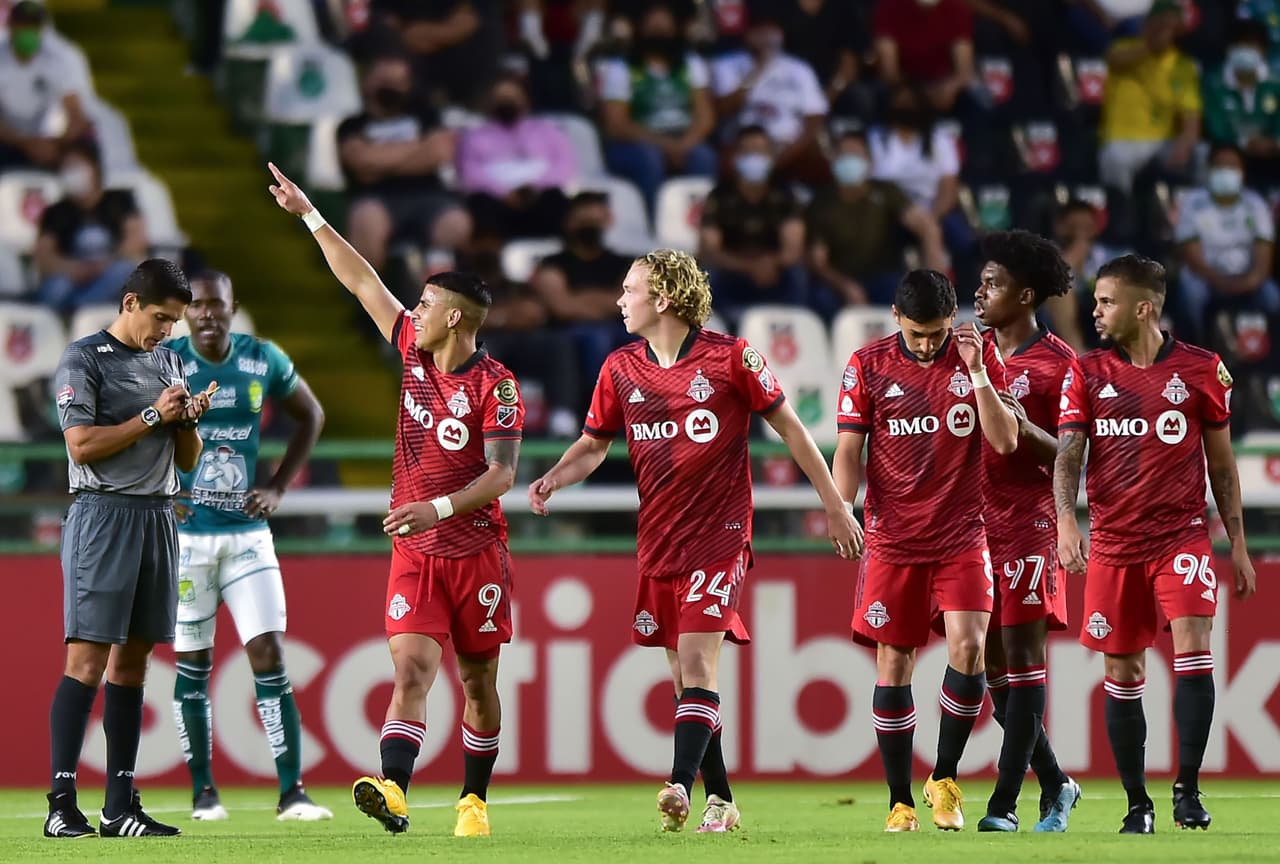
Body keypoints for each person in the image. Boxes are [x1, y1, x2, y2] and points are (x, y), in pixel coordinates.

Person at [528, 248, 861, 833]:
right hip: (659, 540)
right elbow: (593, 443)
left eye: (629, 290)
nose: (619, 300)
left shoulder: (732, 358)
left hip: (720, 533)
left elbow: (791, 429)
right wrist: (556, 474)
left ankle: (680, 786)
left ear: (662, 299)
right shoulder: (619, 368)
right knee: (685, 681)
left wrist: (835, 504)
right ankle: (723, 799)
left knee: (697, 661)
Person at [266, 162, 524, 838]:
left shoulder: (495, 386)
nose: (415, 311)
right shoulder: (412, 345)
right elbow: (359, 280)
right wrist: (312, 216)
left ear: (456, 317)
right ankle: (396, 791)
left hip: (475, 553)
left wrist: (437, 507)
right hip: (415, 552)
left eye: (428, 303)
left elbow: (501, 477)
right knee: (411, 671)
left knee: (477, 685)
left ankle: (473, 800)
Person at [1055, 254, 1257, 834]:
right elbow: (1069, 455)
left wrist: (1237, 544)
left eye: (1106, 301)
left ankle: (1187, 791)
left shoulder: (1201, 369)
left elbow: (1222, 465)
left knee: (1194, 644)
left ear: (1143, 307)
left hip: (1181, 536)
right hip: (1115, 544)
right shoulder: (1087, 372)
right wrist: (1068, 523)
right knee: (1123, 669)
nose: (1094, 311)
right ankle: (1137, 803)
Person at [833, 269, 1019, 833]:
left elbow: (1006, 441)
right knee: (895, 662)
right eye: (916, 334)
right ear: (895, 318)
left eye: (936, 333)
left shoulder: (975, 356)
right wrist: (843, 507)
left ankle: (943, 779)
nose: (926, 344)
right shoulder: (866, 365)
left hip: (962, 534)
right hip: (893, 539)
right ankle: (899, 801)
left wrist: (978, 373)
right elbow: (848, 449)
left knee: (970, 646)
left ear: (951, 318)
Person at [44, 258, 211, 838]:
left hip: (158, 515)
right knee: (86, 661)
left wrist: (188, 421)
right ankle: (61, 804)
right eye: (161, 318)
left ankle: (119, 807)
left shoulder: (168, 360)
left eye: (175, 322)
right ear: (131, 303)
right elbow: (82, 446)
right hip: (102, 515)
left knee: (134, 662)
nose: (167, 331)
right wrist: (152, 414)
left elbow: (187, 461)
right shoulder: (84, 359)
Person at [165, 271, 329, 822]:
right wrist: (163, 492)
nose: (208, 314)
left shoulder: (263, 359)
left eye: (218, 304)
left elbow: (312, 415)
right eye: (199, 306)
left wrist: (278, 486)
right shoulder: (168, 363)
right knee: (193, 664)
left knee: (269, 656)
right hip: (187, 541)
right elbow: (137, 431)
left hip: (248, 537)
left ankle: (292, 793)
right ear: (186, 312)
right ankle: (204, 793)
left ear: (234, 308)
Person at [970, 230, 1080, 832]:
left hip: (1029, 522)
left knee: (1023, 659)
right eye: (982, 281)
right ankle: (1058, 783)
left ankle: (1004, 804)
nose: (981, 293)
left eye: (995, 284)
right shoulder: (972, 356)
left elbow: (1069, 454)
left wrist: (1019, 425)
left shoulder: (1059, 364)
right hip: (971, 527)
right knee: (991, 670)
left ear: (1027, 294)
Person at [336, 52, 471, 274]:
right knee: (366, 222)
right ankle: (370, 301)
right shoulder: (352, 125)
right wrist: (418, 150)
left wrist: (380, 160)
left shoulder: (426, 117)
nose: (391, 87)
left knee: (456, 223)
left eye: (397, 82)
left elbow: (439, 153)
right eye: (384, 81)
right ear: (368, 82)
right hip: (375, 198)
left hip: (429, 196)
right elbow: (360, 163)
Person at [806, 128, 947, 310]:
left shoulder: (886, 192)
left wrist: (934, 284)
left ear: (869, 162)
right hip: (840, 279)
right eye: (843, 154)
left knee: (904, 295)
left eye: (855, 154)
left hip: (883, 276)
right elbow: (819, 262)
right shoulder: (821, 203)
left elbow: (926, 227)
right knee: (821, 297)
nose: (849, 160)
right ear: (833, 160)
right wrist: (846, 286)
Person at [597, 1, 718, 211]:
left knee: (704, 156)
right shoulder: (622, 68)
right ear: (640, 28)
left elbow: (705, 117)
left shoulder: (690, 64)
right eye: (653, 24)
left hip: (682, 138)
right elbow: (617, 125)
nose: (659, 29)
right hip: (636, 143)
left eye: (664, 24)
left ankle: (699, 223)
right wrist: (665, 145)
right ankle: (651, 223)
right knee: (649, 159)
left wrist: (684, 144)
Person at [1174, 143, 1279, 341]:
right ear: (1210, 170)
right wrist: (1221, 282)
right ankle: (1195, 350)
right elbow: (1191, 257)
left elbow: (1263, 258)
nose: (1226, 171)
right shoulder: (1192, 202)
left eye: (1232, 166)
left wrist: (1247, 282)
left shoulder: (1255, 204)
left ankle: (1270, 358)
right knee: (1190, 294)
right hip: (1206, 277)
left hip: (1247, 277)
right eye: (1220, 165)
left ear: (1242, 172)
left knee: (1272, 297)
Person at [35, 138, 149, 315]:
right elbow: (45, 257)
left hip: (109, 272)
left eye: (76, 166)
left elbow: (135, 240)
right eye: (66, 168)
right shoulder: (56, 212)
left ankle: (80, 310)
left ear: (93, 169)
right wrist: (75, 269)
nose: (70, 173)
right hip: (74, 277)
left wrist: (102, 266)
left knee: (124, 270)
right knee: (57, 286)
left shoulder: (119, 201)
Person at [0, 0, 90, 169]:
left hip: (51, 144)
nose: (28, 32)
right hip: (7, 141)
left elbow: (75, 112)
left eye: (33, 27)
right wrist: (27, 143)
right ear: (10, 27)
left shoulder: (59, 60)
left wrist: (58, 143)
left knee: (83, 163)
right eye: (22, 25)